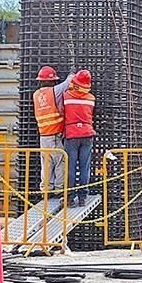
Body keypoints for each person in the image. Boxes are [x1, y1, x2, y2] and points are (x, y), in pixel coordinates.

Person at [32, 66, 73, 196]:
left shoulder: (36, 94)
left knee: (46, 163)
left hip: (43, 135)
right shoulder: (54, 91)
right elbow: (67, 83)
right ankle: (59, 189)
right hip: (55, 134)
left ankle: (46, 189)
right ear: (52, 80)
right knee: (60, 161)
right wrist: (72, 73)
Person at [62, 69, 96, 207]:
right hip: (87, 134)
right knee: (84, 167)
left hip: (71, 135)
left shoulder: (66, 96)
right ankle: (82, 198)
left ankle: (69, 198)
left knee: (70, 168)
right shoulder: (91, 99)